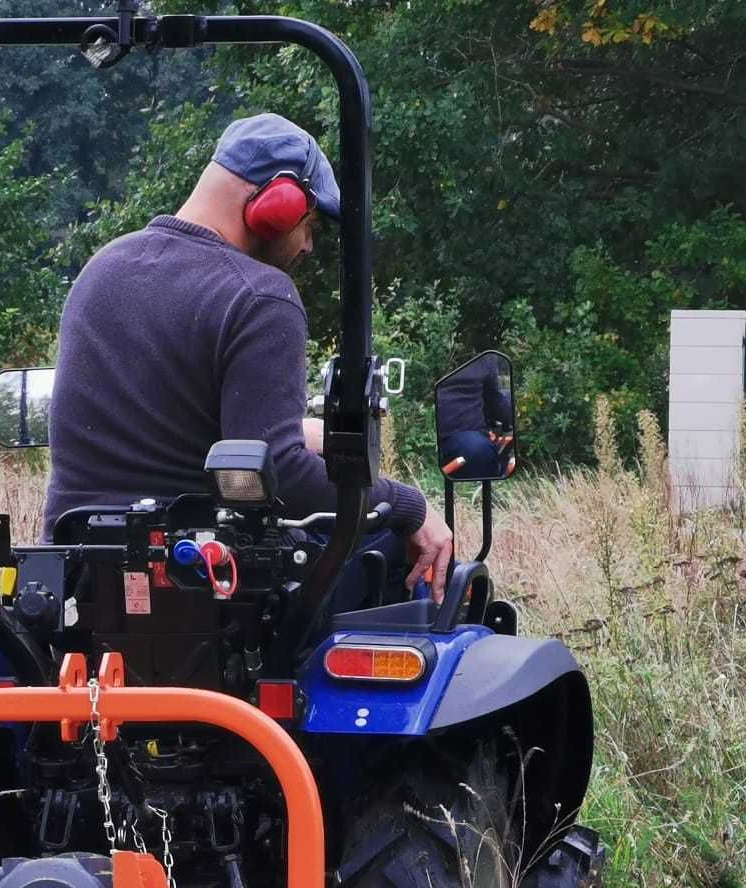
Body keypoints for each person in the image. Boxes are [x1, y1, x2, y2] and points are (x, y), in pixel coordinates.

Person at [43, 113, 454, 601]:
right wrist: (409, 506)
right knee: (395, 552)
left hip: (77, 583)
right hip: (203, 593)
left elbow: (169, 428)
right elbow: (281, 476)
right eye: (310, 224)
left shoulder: (101, 271)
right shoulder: (259, 296)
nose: (307, 245)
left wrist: (295, 432)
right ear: (275, 205)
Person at [435, 353, 516, 481]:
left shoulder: (486, 357)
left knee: (510, 397)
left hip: (467, 429)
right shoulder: (484, 355)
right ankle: (488, 480)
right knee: (476, 447)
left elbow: (493, 397)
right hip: (453, 435)